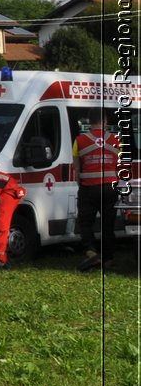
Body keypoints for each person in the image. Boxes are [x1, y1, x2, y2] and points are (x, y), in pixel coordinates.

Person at [73, 110, 123, 272]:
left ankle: (91, 252)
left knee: (85, 222)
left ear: (89, 121)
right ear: (105, 121)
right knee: (108, 224)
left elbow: (77, 167)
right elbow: (119, 166)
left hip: (89, 188)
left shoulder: (79, 141)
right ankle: (109, 259)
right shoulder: (116, 140)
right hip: (110, 188)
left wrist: (80, 183)